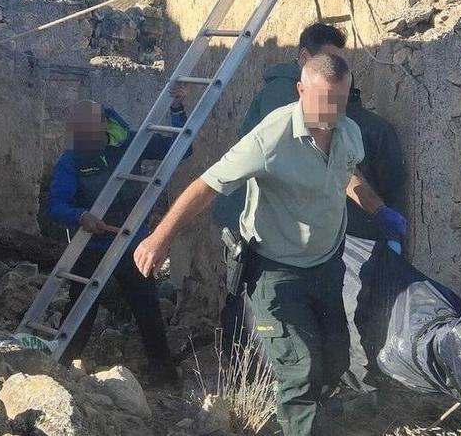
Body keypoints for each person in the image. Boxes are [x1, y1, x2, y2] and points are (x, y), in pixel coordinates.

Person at [133, 53, 406, 435]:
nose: (330, 112)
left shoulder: (349, 132)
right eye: (321, 101)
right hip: (276, 272)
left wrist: (378, 210)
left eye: (338, 102)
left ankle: (311, 423)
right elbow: (208, 185)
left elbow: (348, 173)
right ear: (300, 90)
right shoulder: (271, 137)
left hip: (327, 266)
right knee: (300, 368)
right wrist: (161, 236)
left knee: (334, 360)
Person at [214, 23, 407, 390]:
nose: (335, 78)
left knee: (319, 348)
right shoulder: (282, 105)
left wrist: (378, 210)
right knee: (252, 316)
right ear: (305, 64)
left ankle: (300, 395)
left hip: (310, 252)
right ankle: (246, 382)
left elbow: (342, 169)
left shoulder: (339, 124)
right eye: (328, 64)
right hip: (262, 237)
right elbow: (222, 178)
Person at [48, 86, 189, 386]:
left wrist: (177, 110)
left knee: (146, 307)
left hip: (129, 245)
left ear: (102, 126)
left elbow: (181, 148)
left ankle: (164, 377)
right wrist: (81, 216)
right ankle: (59, 370)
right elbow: (57, 205)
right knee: (80, 310)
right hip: (91, 246)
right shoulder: (71, 160)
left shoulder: (130, 145)